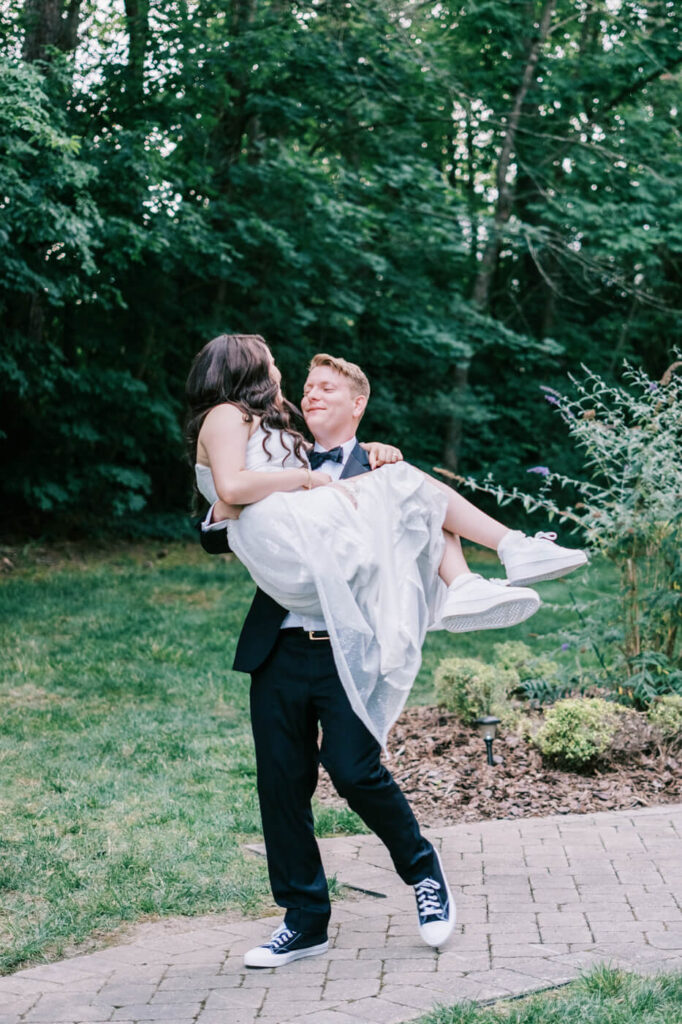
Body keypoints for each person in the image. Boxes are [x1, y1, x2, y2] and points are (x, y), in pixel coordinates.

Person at [189, 334, 586, 968]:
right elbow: (220, 513)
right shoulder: (277, 445)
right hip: (281, 645)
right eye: (305, 386)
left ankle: (424, 872)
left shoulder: (379, 467)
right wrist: (225, 506)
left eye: (327, 389)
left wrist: (371, 463)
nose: (308, 393)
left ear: (358, 406)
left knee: (354, 770)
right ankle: (304, 920)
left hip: (352, 645)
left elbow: (410, 513)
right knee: (280, 786)